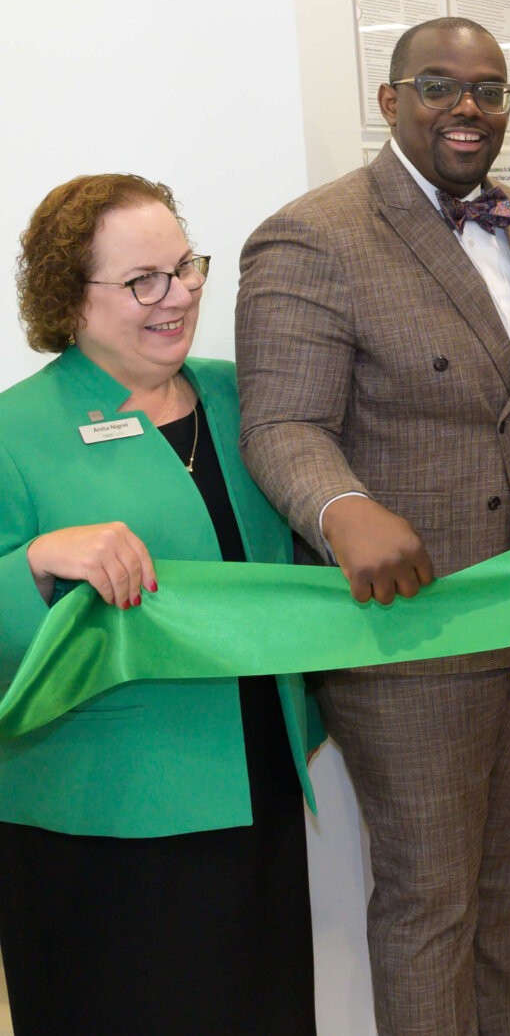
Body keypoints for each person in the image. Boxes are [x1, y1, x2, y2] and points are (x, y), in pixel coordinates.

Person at [238, 16, 510, 1036]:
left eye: (488, 89)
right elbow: (281, 421)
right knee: (432, 900)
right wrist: (342, 509)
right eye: (437, 86)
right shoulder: (316, 235)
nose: (466, 107)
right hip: (412, 628)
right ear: (390, 102)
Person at [0, 174, 319, 1035]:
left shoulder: (245, 397)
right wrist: (32, 559)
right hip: (101, 816)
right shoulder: (15, 429)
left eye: (185, 267)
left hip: (257, 787)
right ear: (71, 296)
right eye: (144, 279)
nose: (177, 296)